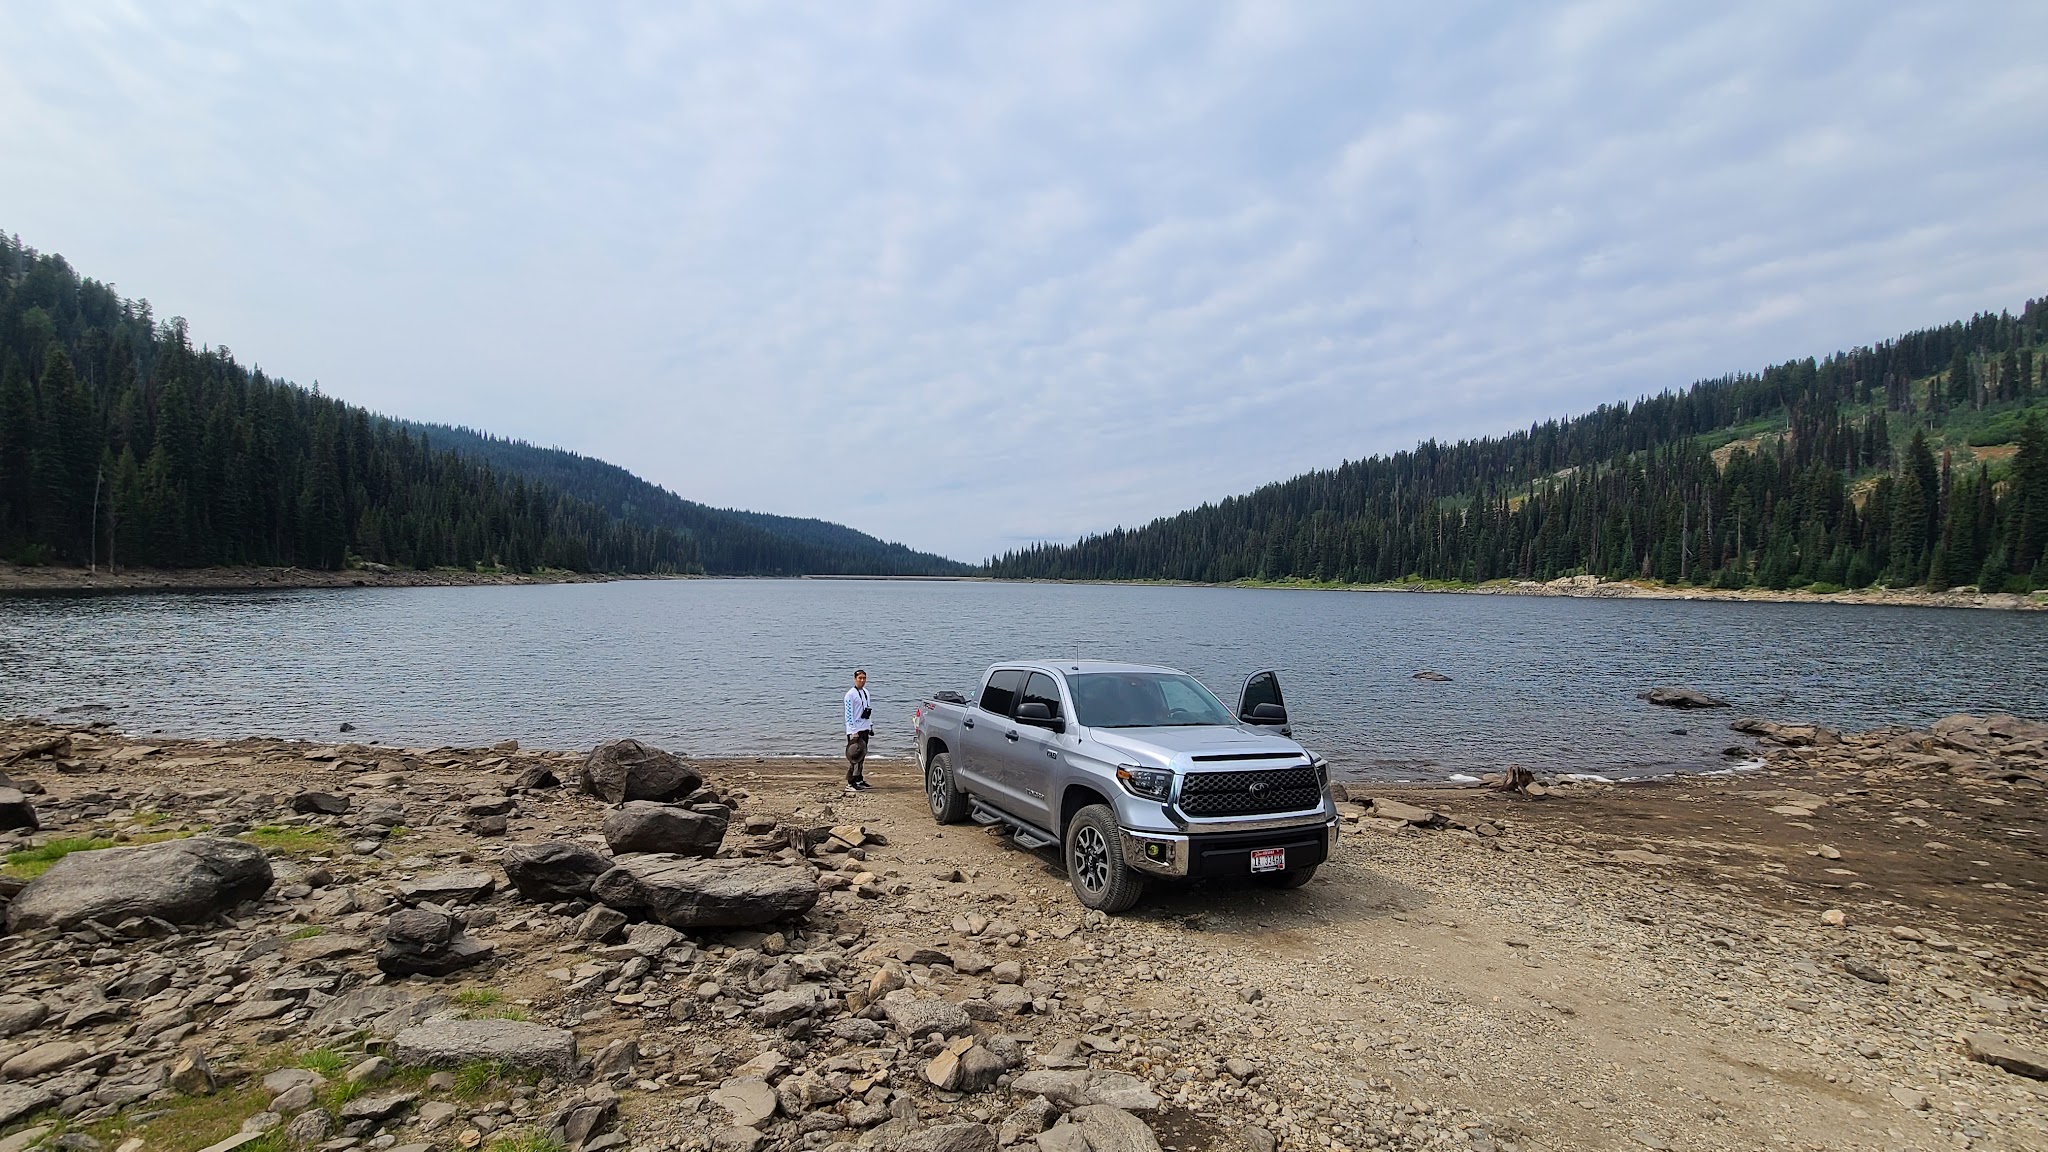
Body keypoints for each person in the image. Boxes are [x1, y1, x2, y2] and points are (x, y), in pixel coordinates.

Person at [843, 668, 874, 791]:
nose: (862, 680)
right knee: (855, 756)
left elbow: (867, 709)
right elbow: (848, 714)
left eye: (864, 678)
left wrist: (870, 725)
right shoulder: (850, 694)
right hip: (855, 729)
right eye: (860, 678)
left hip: (864, 727)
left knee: (862, 755)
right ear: (855, 679)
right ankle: (851, 782)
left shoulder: (866, 692)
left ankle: (859, 778)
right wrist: (853, 730)